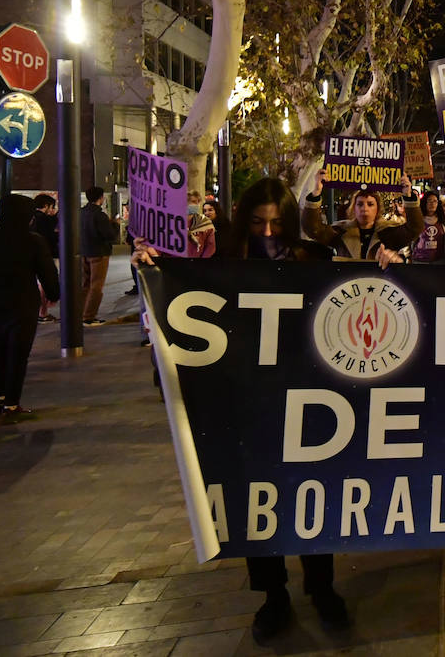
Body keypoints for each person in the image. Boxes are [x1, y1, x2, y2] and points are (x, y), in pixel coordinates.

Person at [140, 178, 348, 640]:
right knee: (261, 503)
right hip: (249, 403)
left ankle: (323, 588)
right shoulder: (223, 265)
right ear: (243, 220)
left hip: (309, 401)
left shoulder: (314, 260)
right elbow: (186, 312)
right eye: (258, 223)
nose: (268, 233)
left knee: (314, 496)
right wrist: (153, 274)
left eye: (277, 223)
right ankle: (273, 597)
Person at [0, 194, 60, 422]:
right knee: (18, 353)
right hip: (23, 303)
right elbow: (47, 272)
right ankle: (11, 404)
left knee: (0, 350)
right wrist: (54, 294)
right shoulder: (33, 241)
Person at [301, 171, 423, 260]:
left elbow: (414, 229)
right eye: (360, 204)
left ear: (378, 209)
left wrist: (408, 196)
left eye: (370, 204)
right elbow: (313, 229)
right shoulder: (340, 231)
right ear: (354, 207)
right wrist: (316, 192)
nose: (364, 208)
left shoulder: (389, 232)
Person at [79, 186, 118, 325]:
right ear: (100, 198)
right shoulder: (99, 215)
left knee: (85, 284)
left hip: (84, 252)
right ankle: (89, 316)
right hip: (99, 253)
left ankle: (81, 312)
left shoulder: (81, 212)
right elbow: (110, 235)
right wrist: (115, 225)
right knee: (96, 285)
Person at [31, 195, 60, 322]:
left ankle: (39, 312)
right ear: (46, 206)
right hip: (44, 255)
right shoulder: (44, 220)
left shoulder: (30, 217)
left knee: (37, 283)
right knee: (44, 283)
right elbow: (52, 235)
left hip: (30, 256)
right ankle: (43, 312)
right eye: (51, 206)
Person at [409, 191, 445, 265]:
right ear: (425, 203)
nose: (432, 204)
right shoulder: (418, 219)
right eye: (429, 201)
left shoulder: (443, 220)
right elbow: (411, 240)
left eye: (435, 201)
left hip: (439, 262)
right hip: (419, 261)